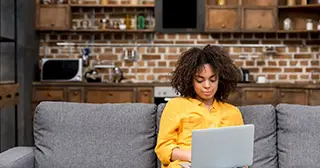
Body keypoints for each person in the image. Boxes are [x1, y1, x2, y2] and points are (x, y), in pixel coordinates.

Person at [155, 44, 246, 168]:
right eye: (200, 80)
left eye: (212, 79)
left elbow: (240, 157)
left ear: (221, 80)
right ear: (190, 80)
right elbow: (163, 148)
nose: (207, 85)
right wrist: (191, 156)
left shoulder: (232, 112)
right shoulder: (175, 106)